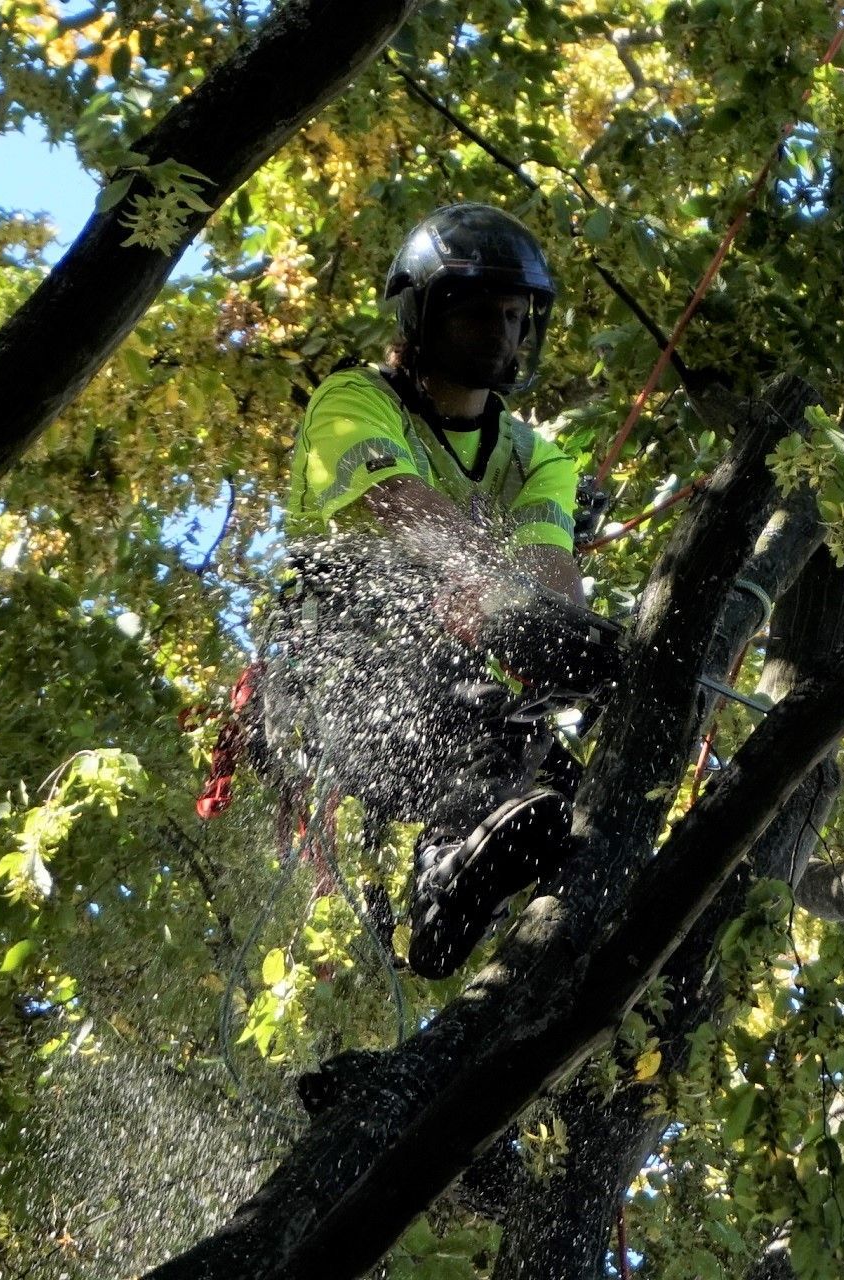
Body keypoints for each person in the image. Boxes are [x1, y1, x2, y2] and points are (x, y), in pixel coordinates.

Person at [268, 203, 620, 980]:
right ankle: (447, 866)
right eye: (477, 312)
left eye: (514, 314)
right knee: (467, 692)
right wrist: (504, 606)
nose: (501, 331)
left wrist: (568, 635)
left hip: (465, 700)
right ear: (424, 313)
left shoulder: (537, 457)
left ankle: (491, 908)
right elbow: (402, 511)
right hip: (344, 679)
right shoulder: (355, 401)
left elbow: (550, 562)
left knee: (571, 787)